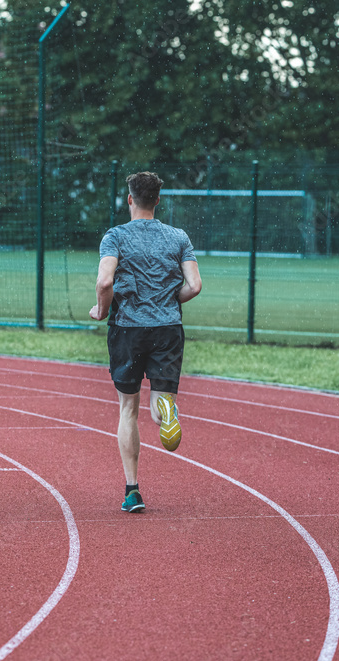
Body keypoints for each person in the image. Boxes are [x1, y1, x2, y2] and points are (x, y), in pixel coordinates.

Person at [89, 172, 202, 513]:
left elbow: (105, 279)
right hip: (167, 328)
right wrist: (168, 300)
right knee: (159, 403)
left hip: (128, 329)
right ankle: (166, 412)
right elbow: (194, 286)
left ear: (129, 199)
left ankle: (133, 490)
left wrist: (101, 309)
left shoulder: (115, 237)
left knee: (128, 408)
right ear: (157, 201)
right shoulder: (178, 237)